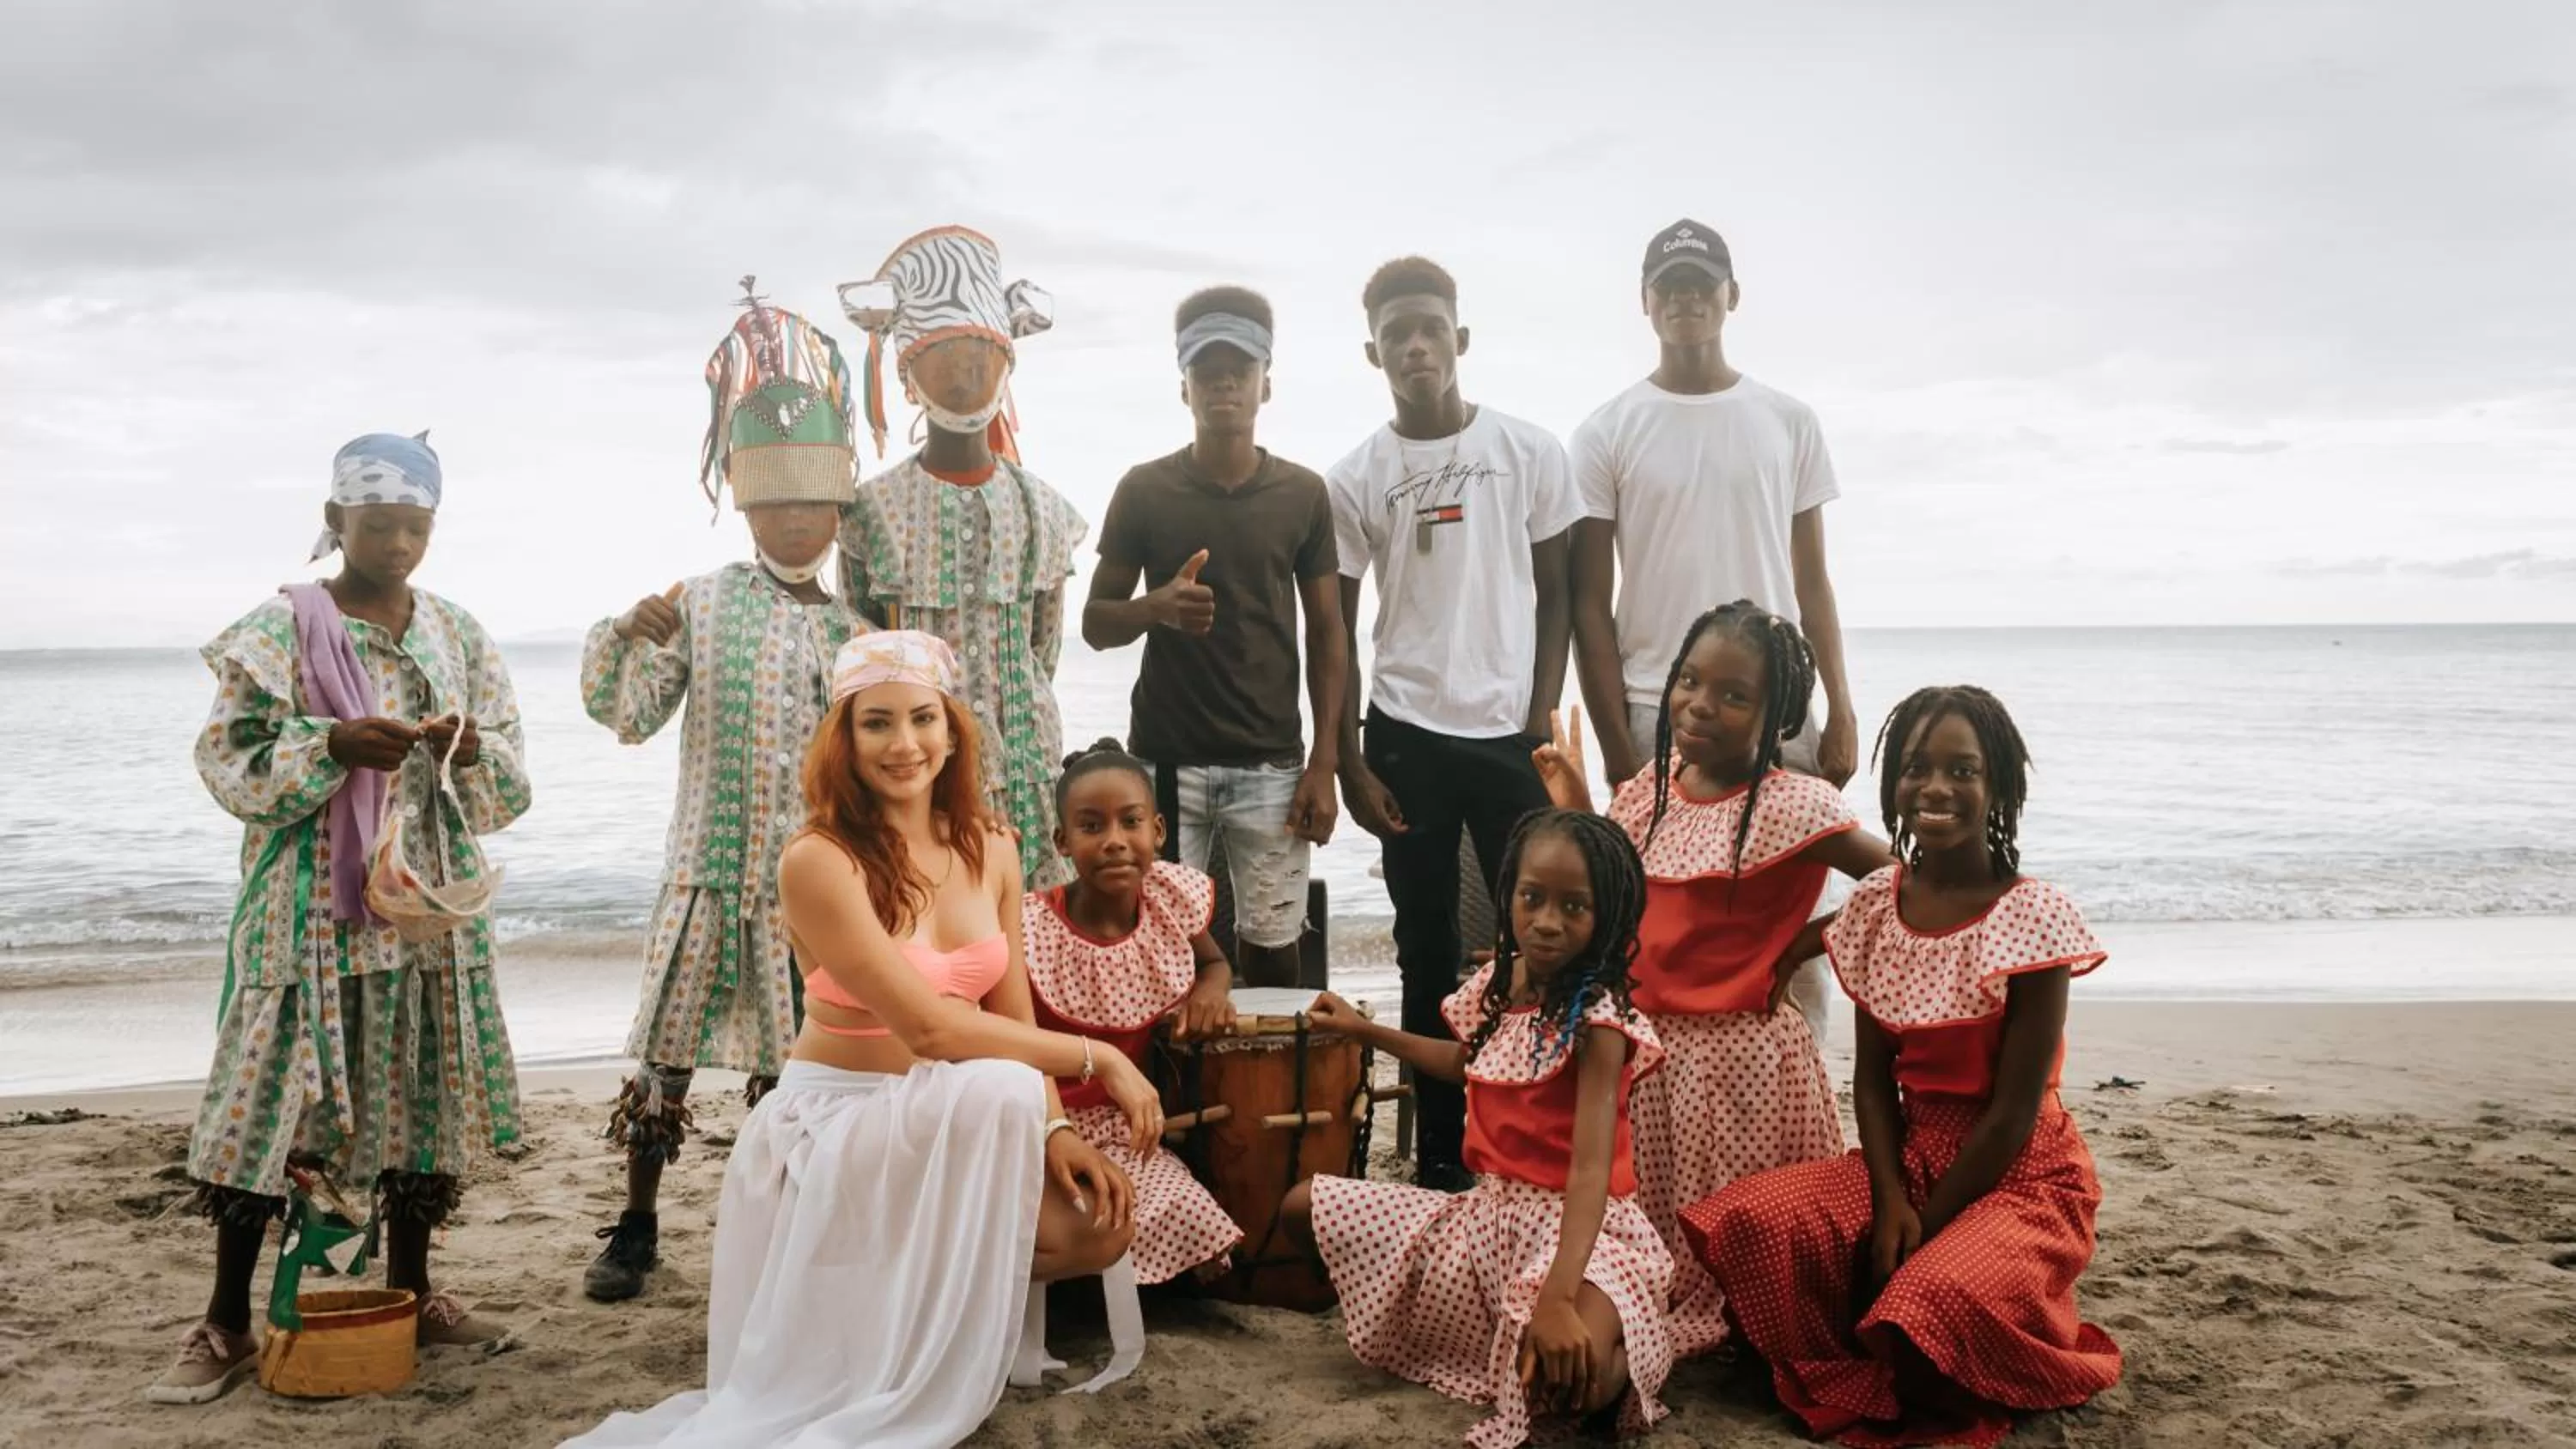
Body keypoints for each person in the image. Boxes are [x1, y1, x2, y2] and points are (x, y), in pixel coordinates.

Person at [560, 631, 1163, 1449]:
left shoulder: (993, 846)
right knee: (1001, 1083)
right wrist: (1100, 1057)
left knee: (1096, 1226)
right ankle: (868, 1346)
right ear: (844, 737)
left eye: (923, 719)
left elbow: (1011, 1018)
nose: (904, 744)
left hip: (953, 1110)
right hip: (839, 1121)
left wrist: (1054, 1127)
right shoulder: (819, 859)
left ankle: (898, 1324)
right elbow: (930, 1027)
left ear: (953, 731)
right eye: (876, 722)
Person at [150, 433, 527, 1404]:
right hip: (309, 907)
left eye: (416, 526)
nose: (398, 543)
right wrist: (334, 744)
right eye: (378, 524)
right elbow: (230, 763)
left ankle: (412, 1291)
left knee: (419, 1098)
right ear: (335, 522)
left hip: (423, 905)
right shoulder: (278, 631)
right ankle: (227, 1320)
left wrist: (469, 752)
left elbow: (511, 776)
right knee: (269, 1107)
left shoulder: (456, 633)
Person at [1679, 687, 2123, 1446]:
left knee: (1928, 1299)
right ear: (1893, 784)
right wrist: (1891, 1201)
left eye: (1963, 769)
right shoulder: (1880, 906)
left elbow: (2013, 1114)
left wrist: (1930, 1225)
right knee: (1750, 1220)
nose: (1936, 787)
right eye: (1916, 767)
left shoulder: (2032, 917)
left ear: (1999, 788)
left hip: (2022, 1174)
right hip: (1908, 1156)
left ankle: (1979, 1333)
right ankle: (1863, 1344)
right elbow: (1874, 1081)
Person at [575, 287, 870, 1302]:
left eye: (814, 504)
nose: (796, 519)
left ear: (839, 511)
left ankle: (782, 1229)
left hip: (812, 888)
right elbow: (631, 714)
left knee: (792, 1068)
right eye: (776, 503)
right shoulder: (701, 602)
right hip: (706, 870)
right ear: (747, 508)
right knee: (665, 1059)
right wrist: (629, 632)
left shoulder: (856, 630)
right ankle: (637, 1222)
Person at [1533, 602, 1893, 1357]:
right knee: (1656, 1244)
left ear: (1777, 715)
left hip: (1743, 1068)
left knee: (1737, 1257)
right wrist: (1575, 805)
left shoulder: (1795, 805)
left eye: (1734, 695)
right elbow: (1616, 898)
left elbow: (1903, 883)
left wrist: (1799, 949)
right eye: (1690, 681)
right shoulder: (1650, 790)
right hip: (1646, 1055)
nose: (1702, 704)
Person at [1280, 809, 1674, 1449]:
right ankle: (1485, 1335)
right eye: (1532, 897)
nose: (1547, 921)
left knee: (1568, 1382)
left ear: (1611, 916)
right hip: (1486, 1221)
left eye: (1575, 906)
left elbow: (1590, 1171)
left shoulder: (1600, 1022)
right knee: (1305, 1207)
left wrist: (1557, 1297)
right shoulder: (1499, 983)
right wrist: (1365, 1030)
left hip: (1581, 1234)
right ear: (1507, 893)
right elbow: (1466, 1063)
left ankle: (1625, 1353)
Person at [1568, 218, 1861, 1045]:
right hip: (1658, 707)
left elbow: (1812, 582)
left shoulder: (1788, 419)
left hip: (1781, 710)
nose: (1687, 300)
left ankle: (1798, 1082)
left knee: (1790, 917)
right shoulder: (1607, 430)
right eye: (1671, 287)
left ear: (1731, 297)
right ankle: (1660, 1097)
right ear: (1646, 302)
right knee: (1659, 923)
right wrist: (1620, 750)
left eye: (1702, 285)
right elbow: (1591, 602)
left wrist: (1839, 707)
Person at [1326, 256, 1580, 1191]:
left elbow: (1560, 591)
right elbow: (1339, 626)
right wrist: (1350, 755)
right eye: (1398, 335)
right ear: (1374, 351)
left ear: (1460, 338)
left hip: (1509, 730)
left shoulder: (1530, 451)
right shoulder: (1355, 475)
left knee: (1535, 938)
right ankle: (1440, 1154)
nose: (1416, 346)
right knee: (1425, 942)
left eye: (1431, 327)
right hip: (1406, 732)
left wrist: (1540, 706)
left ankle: (1531, 1131)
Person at [1084, 285, 1348, 987]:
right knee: (1160, 943)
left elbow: (1329, 633)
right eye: (1206, 369)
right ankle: (1172, 1097)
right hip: (1167, 762)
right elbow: (1095, 623)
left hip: (1271, 763)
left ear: (1266, 384)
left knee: (1274, 944)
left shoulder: (1302, 493)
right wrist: (1157, 606)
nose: (1223, 381)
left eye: (1239, 368)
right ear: (1184, 388)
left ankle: (1272, 1093)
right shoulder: (1144, 490)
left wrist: (1325, 763)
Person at [837, 225, 1085, 888]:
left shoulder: (1044, 509)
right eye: (944, 358)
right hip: (915, 766)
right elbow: (858, 643)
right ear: (908, 374)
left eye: (982, 356)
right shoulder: (869, 510)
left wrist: (1022, 717)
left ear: (1008, 363)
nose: (966, 373)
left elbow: (1043, 648)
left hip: (1029, 761)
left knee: (1032, 930)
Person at [1023, 740, 1245, 1285]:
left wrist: (1210, 992)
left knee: (1189, 1220)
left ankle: (1101, 1281)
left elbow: (1216, 964)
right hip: (1040, 1122)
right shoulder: (1034, 928)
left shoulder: (1167, 904)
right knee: (1082, 1217)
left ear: (1159, 832)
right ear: (1063, 841)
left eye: (1132, 822)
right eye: (1092, 827)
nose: (1116, 842)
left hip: (1125, 1131)